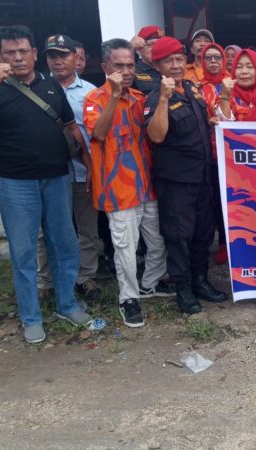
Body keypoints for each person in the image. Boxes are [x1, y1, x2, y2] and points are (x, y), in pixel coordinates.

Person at [0, 26, 98, 343]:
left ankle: (67, 305)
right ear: (0, 56)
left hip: (57, 179)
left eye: (24, 51)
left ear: (35, 54)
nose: (18, 57)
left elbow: (70, 127)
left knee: (64, 245)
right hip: (16, 184)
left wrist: (90, 166)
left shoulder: (51, 86)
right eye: (11, 52)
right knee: (23, 253)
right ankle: (31, 317)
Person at [83, 39, 172, 328]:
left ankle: (149, 284)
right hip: (118, 190)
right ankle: (128, 299)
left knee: (158, 241)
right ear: (105, 67)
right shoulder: (94, 99)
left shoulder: (139, 98)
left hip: (147, 185)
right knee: (126, 249)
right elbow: (99, 132)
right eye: (119, 66)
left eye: (130, 65)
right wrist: (113, 96)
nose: (126, 71)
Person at [145, 36, 227, 315]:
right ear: (157, 65)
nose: (176, 65)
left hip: (202, 177)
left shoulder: (192, 89)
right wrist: (164, 99)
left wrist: (210, 122)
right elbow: (156, 135)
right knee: (179, 237)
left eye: (179, 59)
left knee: (203, 233)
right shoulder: (155, 96)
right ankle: (183, 290)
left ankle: (200, 281)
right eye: (168, 61)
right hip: (176, 182)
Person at [38, 34, 102, 304]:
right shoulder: (37, 88)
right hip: (50, 173)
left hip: (84, 171)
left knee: (87, 229)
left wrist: (95, 167)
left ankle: (85, 277)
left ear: (76, 58)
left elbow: (97, 134)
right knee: (48, 229)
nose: (58, 61)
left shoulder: (91, 92)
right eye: (52, 56)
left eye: (64, 55)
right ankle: (46, 281)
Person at [197, 43, 229, 264]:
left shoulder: (233, 83)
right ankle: (222, 245)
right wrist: (207, 121)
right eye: (208, 58)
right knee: (215, 201)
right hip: (210, 154)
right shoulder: (197, 88)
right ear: (202, 61)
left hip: (232, 153)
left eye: (218, 57)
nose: (214, 61)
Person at [218, 48, 256, 121]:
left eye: (250, 67)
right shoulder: (226, 94)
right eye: (239, 67)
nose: (244, 72)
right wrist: (225, 97)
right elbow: (224, 124)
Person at [130, 25, 165, 94]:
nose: (156, 49)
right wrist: (129, 48)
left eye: (160, 44)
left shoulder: (168, 68)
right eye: (151, 45)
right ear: (139, 49)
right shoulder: (132, 71)